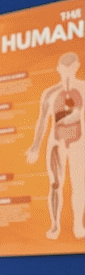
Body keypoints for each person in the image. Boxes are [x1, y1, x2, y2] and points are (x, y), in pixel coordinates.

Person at [24, 51, 85, 241]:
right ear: (59, 69)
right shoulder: (49, 93)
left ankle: (77, 223)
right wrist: (35, 147)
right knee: (55, 184)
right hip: (56, 143)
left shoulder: (83, 88)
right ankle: (55, 225)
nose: (67, 72)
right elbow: (42, 121)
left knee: (79, 184)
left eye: (71, 68)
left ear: (76, 67)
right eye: (64, 68)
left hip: (78, 141)